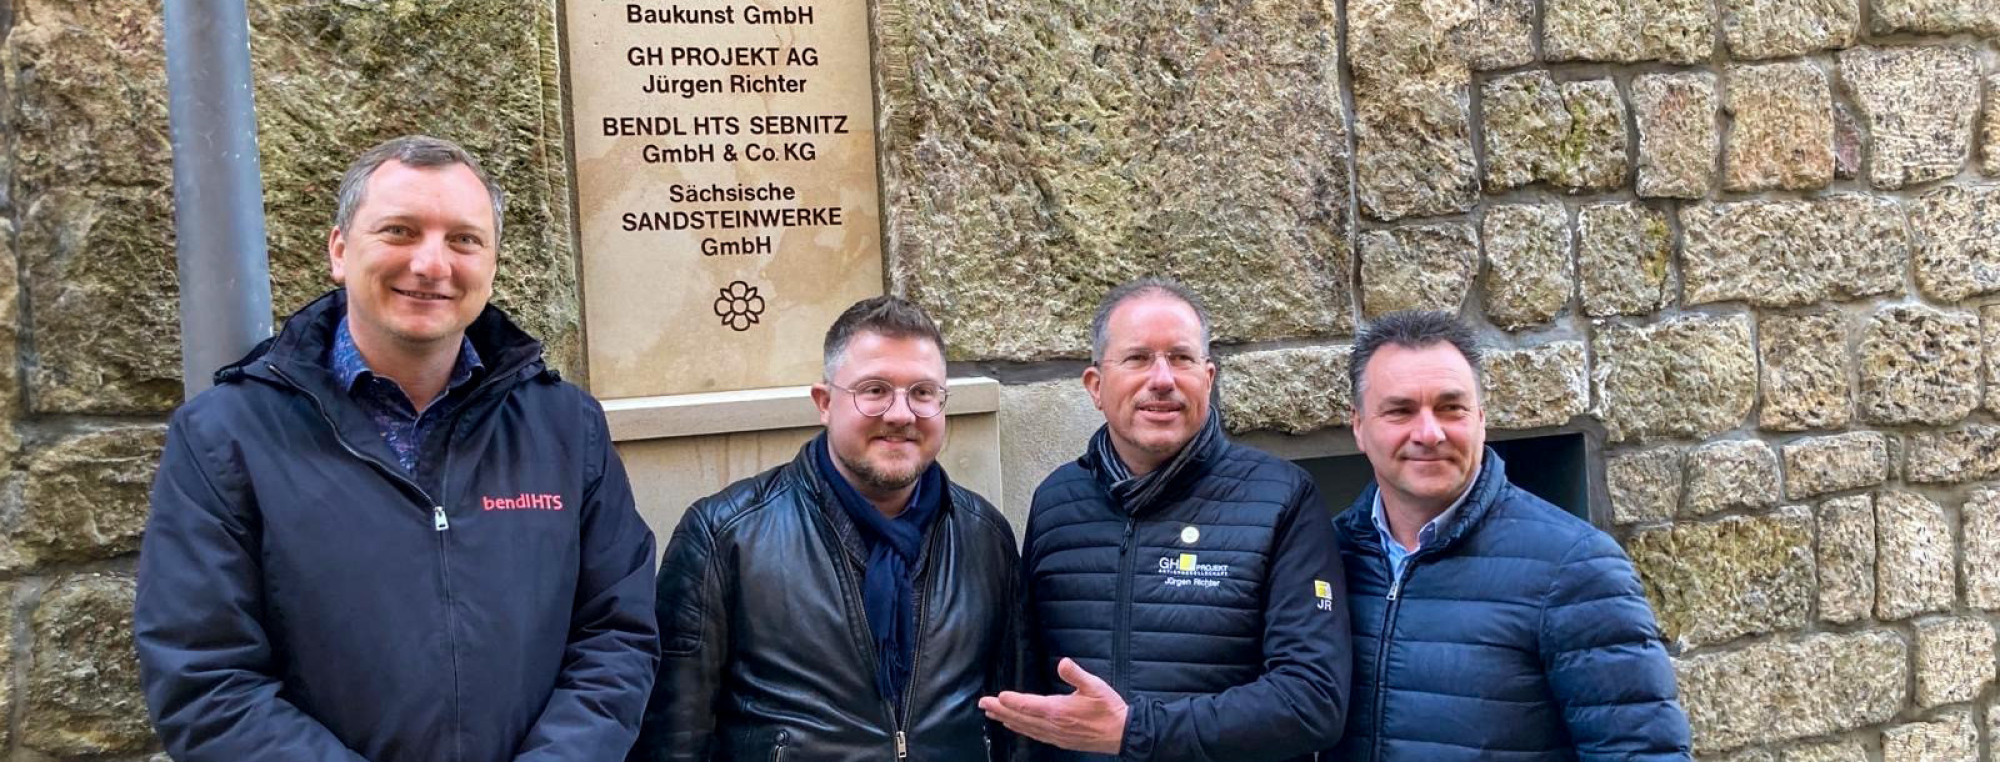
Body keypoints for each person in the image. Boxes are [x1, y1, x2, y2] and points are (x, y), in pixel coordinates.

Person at [136, 135, 659, 762]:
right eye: (400, 231)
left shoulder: (567, 427)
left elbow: (617, 635)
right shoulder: (226, 435)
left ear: (491, 264)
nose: (432, 264)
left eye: (463, 239)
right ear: (338, 250)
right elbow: (206, 679)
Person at [631, 295, 1019, 762]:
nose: (900, 414)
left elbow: (1016, 722)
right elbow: (673, 739)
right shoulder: (726, 536)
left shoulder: (984, 538)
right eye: (874, 390)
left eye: (922, 392)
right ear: (824, 402)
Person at [985, 277, 1350, 762]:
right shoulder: (1058, 501)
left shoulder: (1282, 498)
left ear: (1208, 378)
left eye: (1180, 358)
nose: (1162, 379)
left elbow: (1312, 702)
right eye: (1137, 358)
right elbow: (1028, 675)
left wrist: (1135, 731)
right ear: (1096, 386)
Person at [1332, 310, 1690, 761]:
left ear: (1481, 418)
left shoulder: (1575, 568)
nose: (1429, 432)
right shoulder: (1326, 556)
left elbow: (1643, 753)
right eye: (1400, 411)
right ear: (1359, 426)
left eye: (1451, 407)